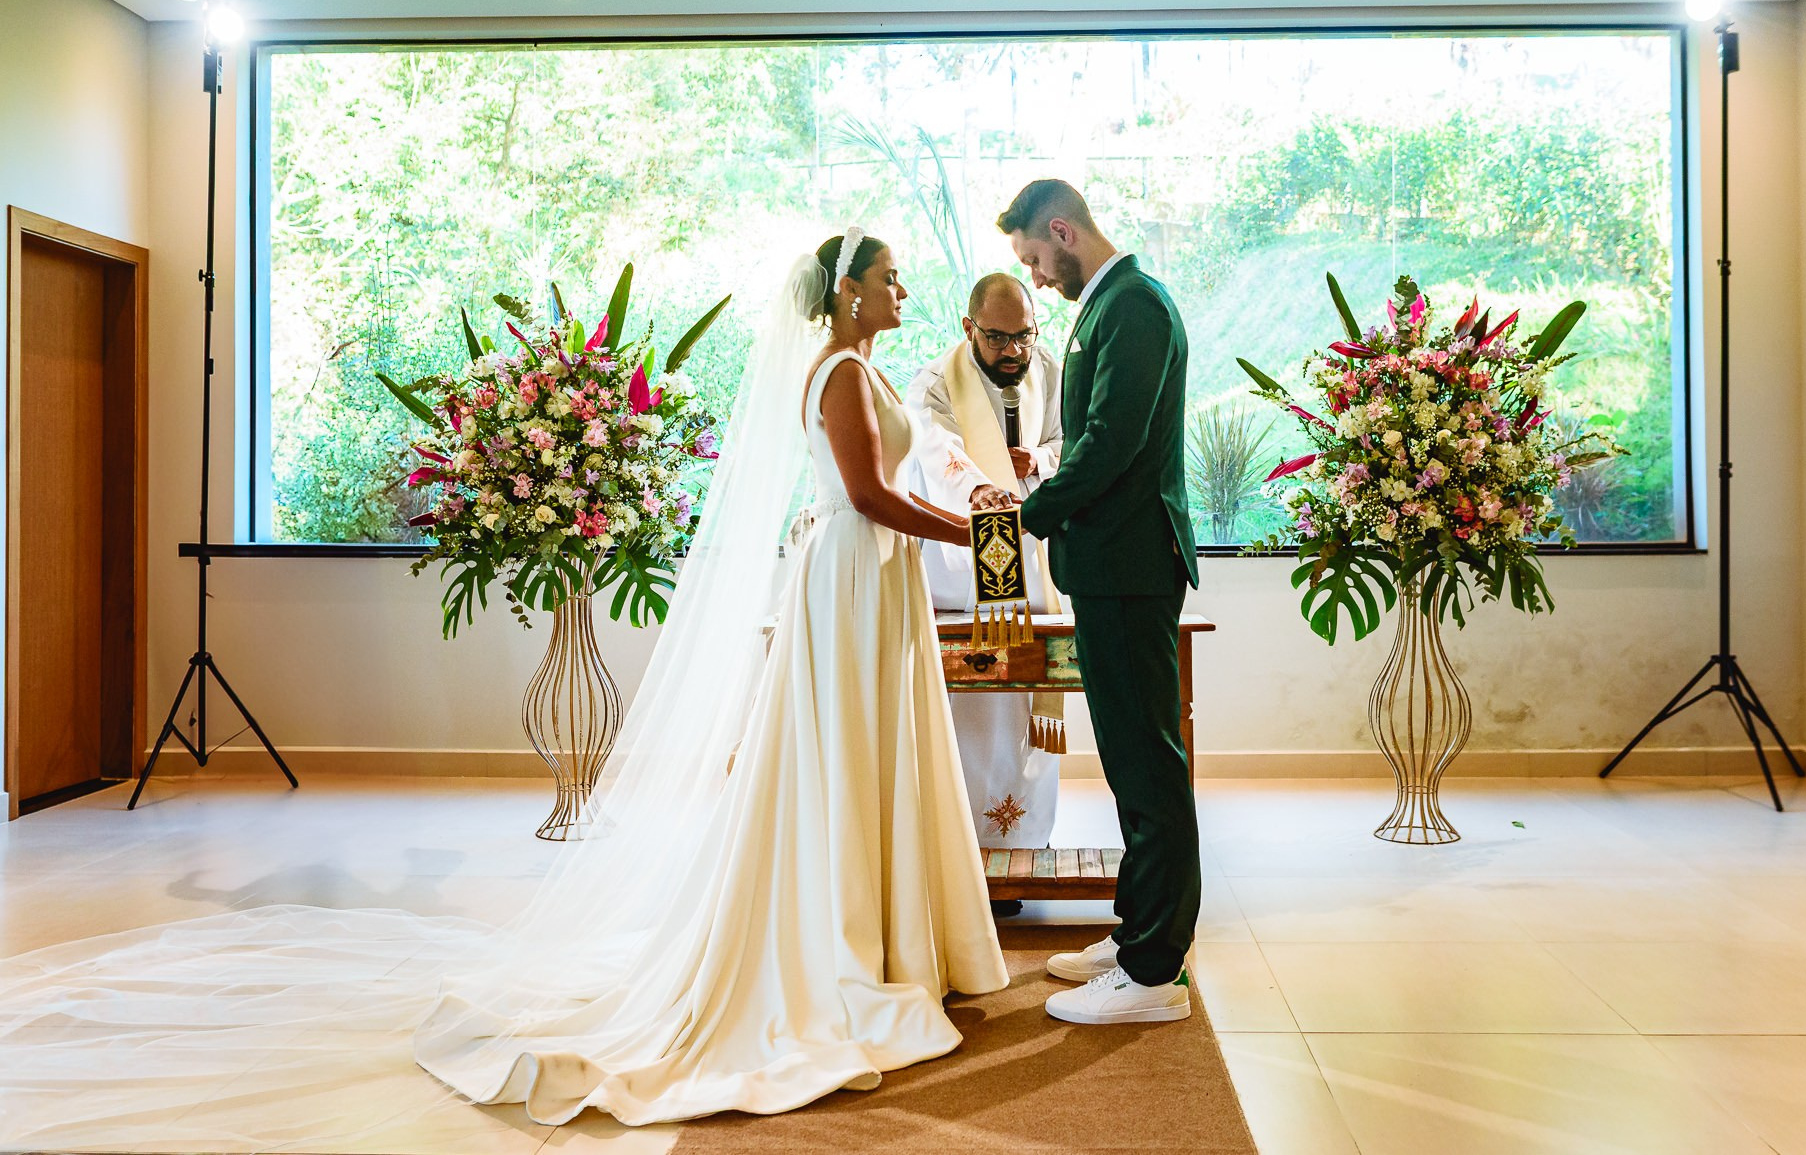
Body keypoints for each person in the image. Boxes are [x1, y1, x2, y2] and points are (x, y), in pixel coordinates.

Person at [0, 231, 1008, 1145]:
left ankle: (887, 926)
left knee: (879, 747)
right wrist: (971, 533)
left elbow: (894, 487)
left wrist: (970, 505)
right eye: (887, 278)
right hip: (847, 575)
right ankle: (841, 936)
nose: (902, 289)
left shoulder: (867, 369)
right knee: (845, 749)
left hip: (873, 578)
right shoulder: (837, 373)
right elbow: (867, 494)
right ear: (843, 294)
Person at [1001, 179, 1202, 1027]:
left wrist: (1028, 513)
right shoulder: (1110, 303)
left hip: (1128, 566)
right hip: (1109, 566)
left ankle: (1153, 973)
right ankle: (1135, 934)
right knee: (1128, 762)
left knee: (1150, 766)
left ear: (1063, 229)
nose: (1039, 279)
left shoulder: (1136, 305)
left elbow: (1112, 443)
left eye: (1036, 260)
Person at [905, 274, 1066, 905]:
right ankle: (962, 864)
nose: (1013, 351)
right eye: (997, 337)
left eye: (1024, 334)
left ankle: (1024, 853)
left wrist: (1039, 464)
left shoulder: (1049, 369)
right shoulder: (935, 382)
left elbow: (1064, 441)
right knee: (971, 719)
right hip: (962, 574)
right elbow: (934, 447)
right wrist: (980, 485)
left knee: (1029, 716)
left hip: (1033, 569)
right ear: (970, 328)